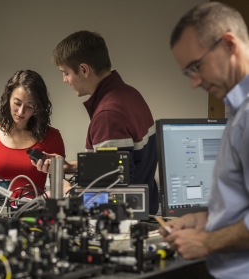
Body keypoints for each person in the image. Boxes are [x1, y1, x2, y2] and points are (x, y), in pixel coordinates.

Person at [160, 2, 249, 278]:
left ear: (229, 44)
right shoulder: (237, 113)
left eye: (197, 66)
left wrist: (208, 242)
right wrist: (203, 220)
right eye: (188, 72)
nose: (194, 83)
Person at [36, 30, 158, 214]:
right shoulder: (131, 95)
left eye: (66, 72)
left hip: (126, 224)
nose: (64, 80)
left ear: (84, 70)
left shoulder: (108, 114)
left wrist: (68, 193)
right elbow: (122, 163)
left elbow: (116, 196)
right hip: (146, 210)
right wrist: (70, 166)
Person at [0, 69, 65, 198]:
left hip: (34, 212)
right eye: (17, 103)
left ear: (38, 108)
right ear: (8, 99)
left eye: (29, 106)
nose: (21, 111)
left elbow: (59, 188)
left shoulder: (52, 137)